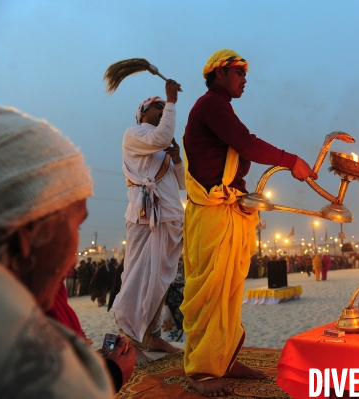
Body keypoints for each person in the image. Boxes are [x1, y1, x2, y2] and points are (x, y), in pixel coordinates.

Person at [0, 104, 135, 398]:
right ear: (28, 236)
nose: (73, 257)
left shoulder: (40, 297)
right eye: (75, 226)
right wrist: (109, 375)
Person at [181, 48, 317, 397]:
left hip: (227, 212)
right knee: (213, 292)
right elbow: (247, 144)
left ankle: (223, 360)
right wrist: (291, 160)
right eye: (239, 73)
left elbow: (236, 158)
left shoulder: (220, 107)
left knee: (228, 291)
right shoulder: (211, 105)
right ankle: (202, 370)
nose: (245, 80)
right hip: (212, 216)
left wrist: (242, 196)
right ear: (219, 74)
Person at [112, 78, 185, 365]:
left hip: (168, 220)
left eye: (164, 107)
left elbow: (180, 184)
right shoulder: (135, 134)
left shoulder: (158, 148)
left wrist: (177, 160)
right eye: (158, 107)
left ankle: (152, 336)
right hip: (145, 219)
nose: (163, 110)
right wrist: (173, 102)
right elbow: (161, 137)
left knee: (160, 282)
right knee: (137, 280)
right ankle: (130, 340)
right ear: (143, 112)